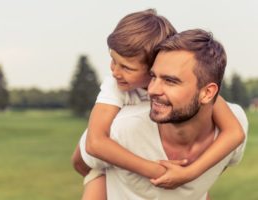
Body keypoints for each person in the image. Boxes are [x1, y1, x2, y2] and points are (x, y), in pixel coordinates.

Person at [71, 10, 245, 199]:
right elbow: (94, 144)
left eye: (127, 67)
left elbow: (234, 132)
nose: (115, 71)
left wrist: (189, 174)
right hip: (107, 166)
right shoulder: (116, 89)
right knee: (96, 179)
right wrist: (156, 171)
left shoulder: (199, 93)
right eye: (113, 60)